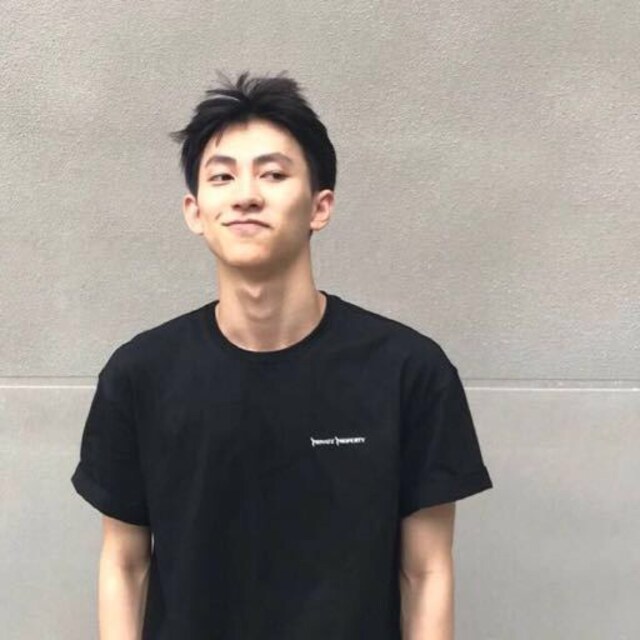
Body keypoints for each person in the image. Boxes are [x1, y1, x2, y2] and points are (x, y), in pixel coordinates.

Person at [71, 70, 493, 640]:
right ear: (195, 211)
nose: (246, 194)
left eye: (273, 174)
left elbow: (426, 572)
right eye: (222, 176)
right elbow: (124, 565)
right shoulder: (140, 375)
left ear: (320, 206)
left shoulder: (408, 372)